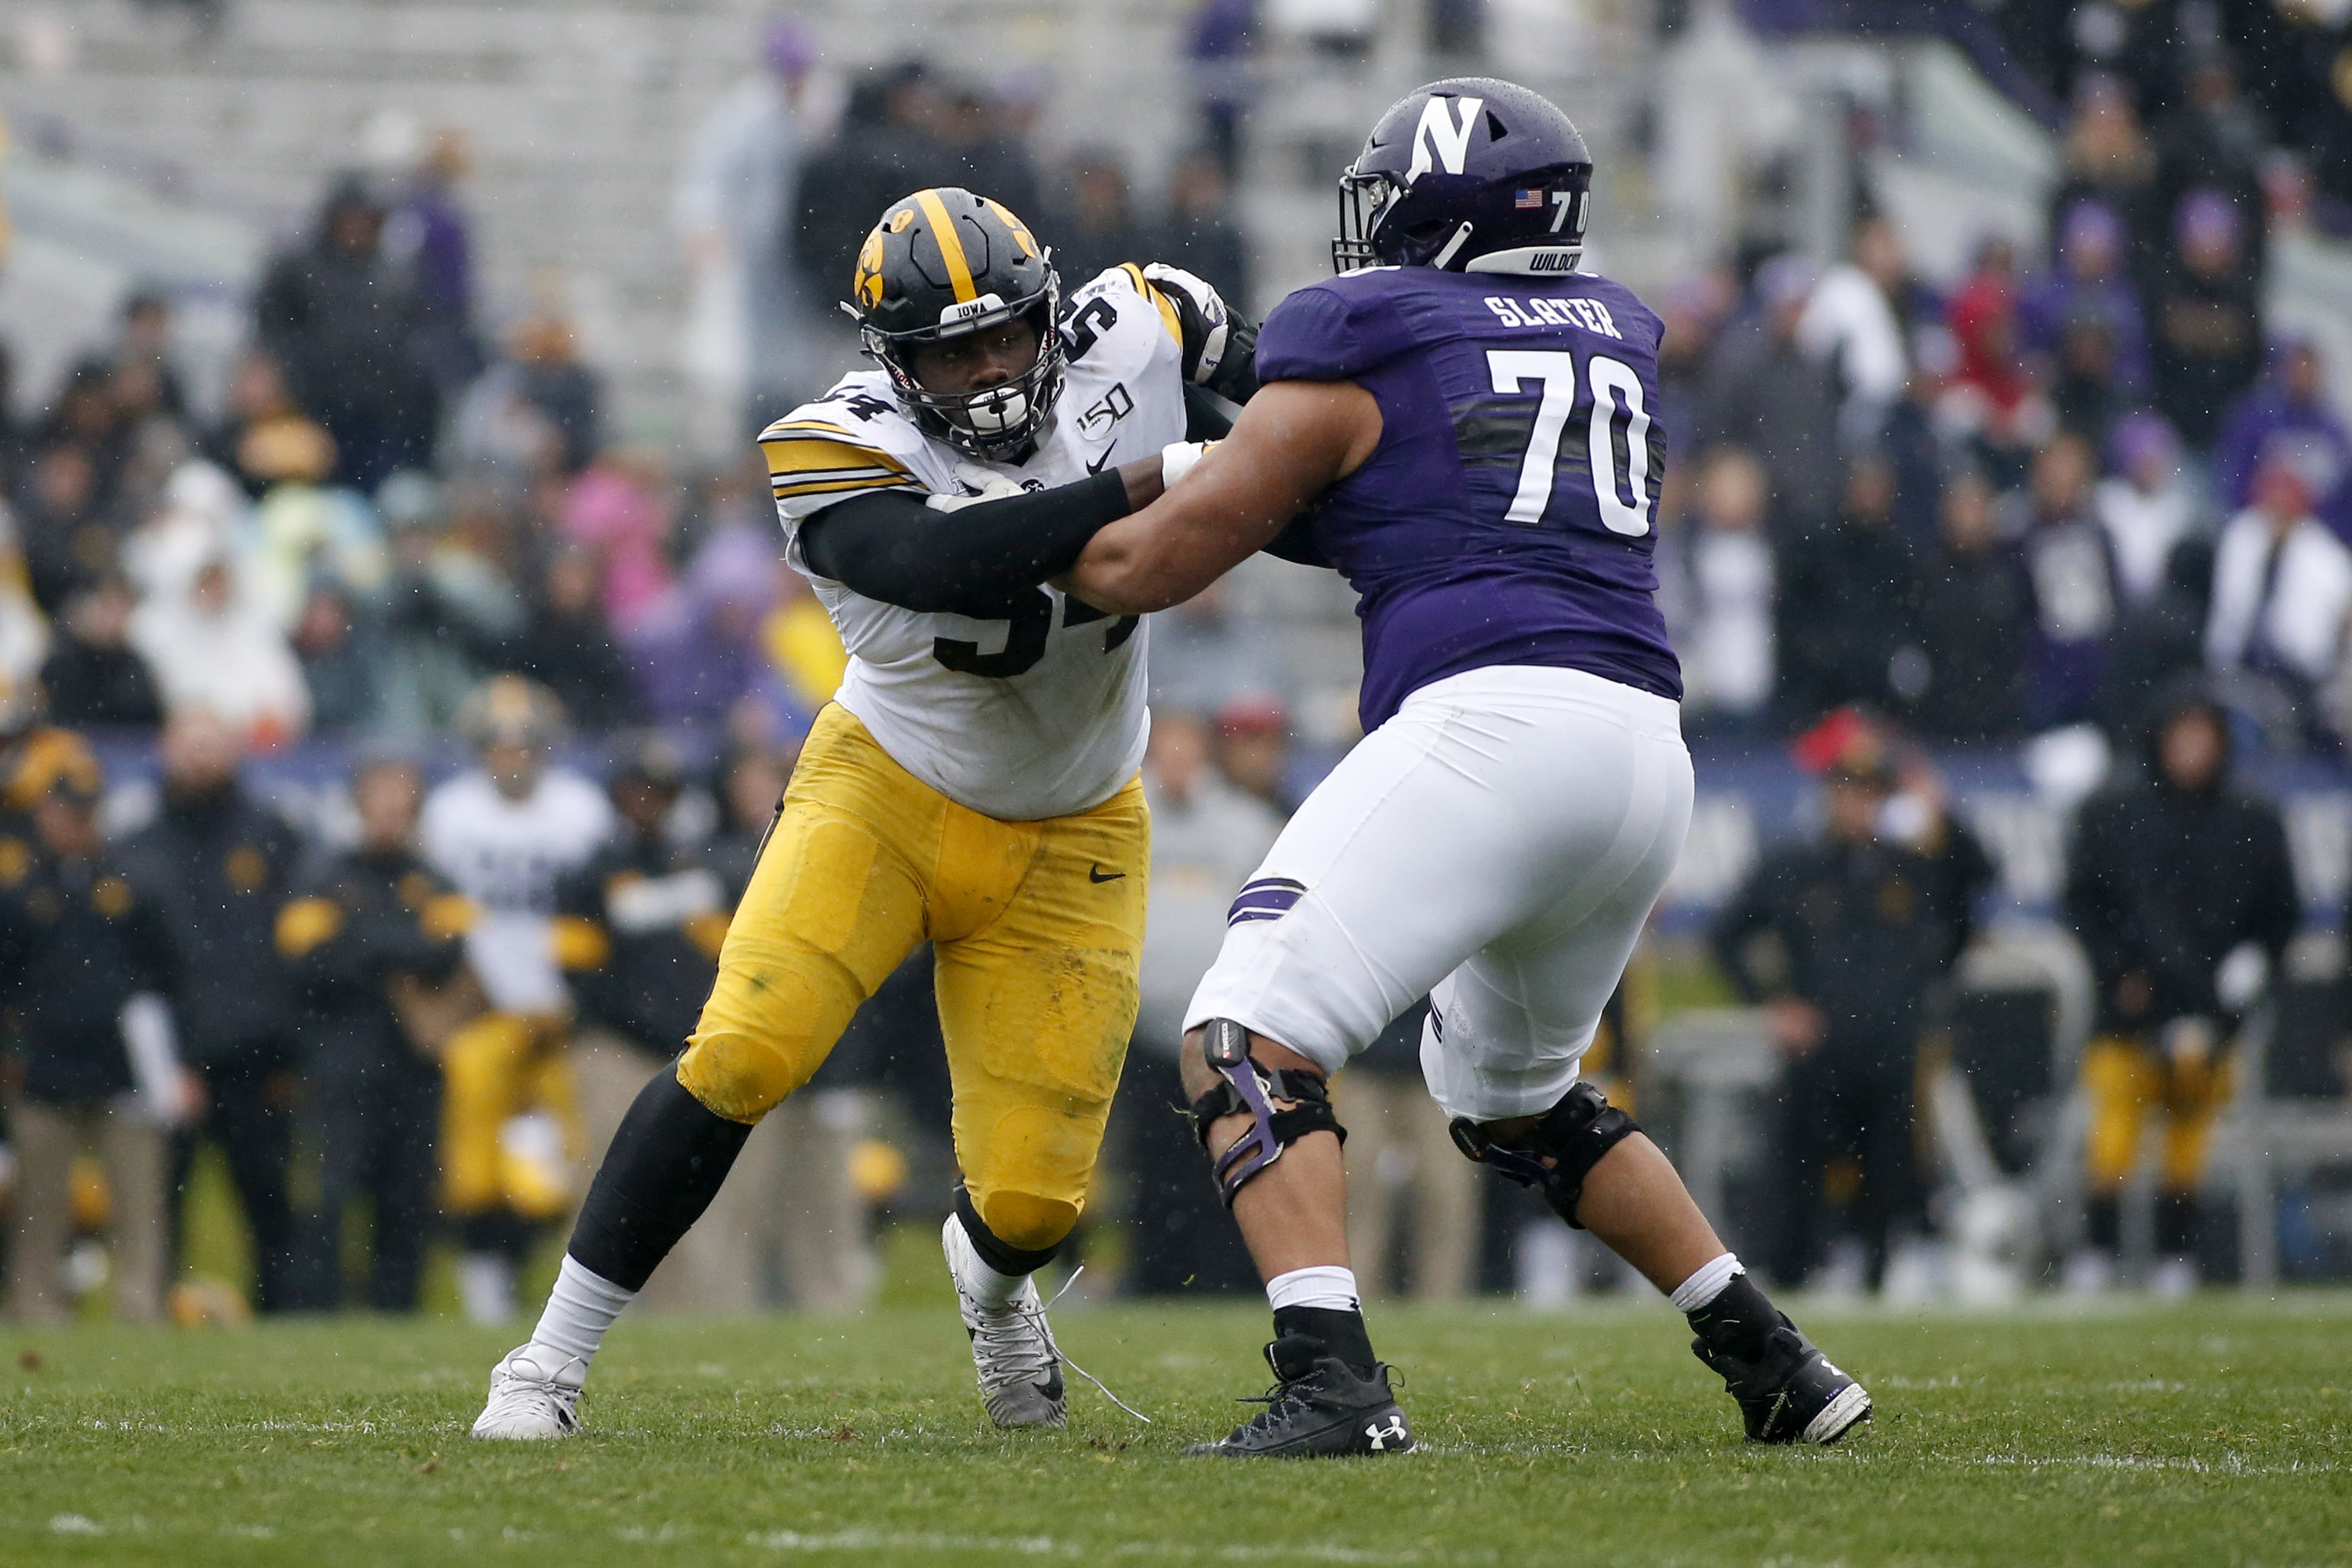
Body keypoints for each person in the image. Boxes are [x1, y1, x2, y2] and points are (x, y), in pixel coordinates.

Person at [1048, 78, 1869, 1454]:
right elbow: (1392, 487)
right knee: (1512, 1097)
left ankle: (1334, 1384)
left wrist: (1005, 519)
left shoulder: (1372, 335)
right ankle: (1771, 1357)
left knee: (1242, 1036)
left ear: (1439, 210)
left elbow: (1155, 564)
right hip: (1640, 753)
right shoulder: (1608, 333)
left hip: (1495, 729)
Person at [470, 184, 1259, 1439]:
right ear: (895, 357)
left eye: (1006, 334)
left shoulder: (1146, 324)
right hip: (887, 789)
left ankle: (995, 1292)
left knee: (1037, 1205)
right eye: (952, 350)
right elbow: (943, 563)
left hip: (1079, 822)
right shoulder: (831, 441)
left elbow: (1304, 427)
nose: (990, 367)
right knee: (743, 1050)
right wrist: (1170, 473)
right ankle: (547, 1362)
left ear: (1052, 312)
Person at [1711, 716, 1987, 1291]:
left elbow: (1978, 881)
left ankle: (1884, 1272)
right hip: (1819, 1054)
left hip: (1891, 1052)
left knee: (1892, 1178)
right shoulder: (1796, 866)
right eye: (1847, 790)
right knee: (1799, 1176)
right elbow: (1726, 936)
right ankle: (1792, 1279)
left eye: (1871, 792)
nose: (1857, 804)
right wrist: (1772, 1004)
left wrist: (1940, 809)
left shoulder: (1913, 866)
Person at [2063, 684, 2298, 1294]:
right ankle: (2097, 1250)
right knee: (2114, 1131)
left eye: (2203, 736)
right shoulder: (2115, 812)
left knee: (2189, 1134)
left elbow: (2279, 912)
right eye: (2181, 735)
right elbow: (2086, 903)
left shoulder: (2251, 818)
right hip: (2130, 1004)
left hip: (2212, 1007)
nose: (2191, 750)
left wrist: (2250, 966)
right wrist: (2121, 974)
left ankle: (2176, 1256)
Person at [422, 677, 614, 1323]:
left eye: (524, 744)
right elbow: (433, 913)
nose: (512, 756)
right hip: (483, 1011)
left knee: (572, 1161)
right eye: (498, 745)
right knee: (473, 1154)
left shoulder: (580, 809)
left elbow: (600, 908)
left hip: (565, 1016)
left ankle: (567, 1287)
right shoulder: (450, 812)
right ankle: (485, 1284)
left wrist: (581, 977)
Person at [116, 707, 306, 1313]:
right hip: (166, 1061)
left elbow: (295, 950)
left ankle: (286, 1333)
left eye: (212, 742)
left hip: (257, 1058)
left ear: (235, 750)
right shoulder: (136, 846)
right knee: (156, 1209)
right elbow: (129, 966)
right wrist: (166, 1059)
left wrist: (284, 1043)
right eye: (187, 742)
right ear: (165, 749)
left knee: (271, 1206)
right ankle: (150, 1322)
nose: (199, 755)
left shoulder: (273, 835)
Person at [0, 768, 194, 1323]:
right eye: (67, 812)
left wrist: (179, 1063)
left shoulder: (132, 887)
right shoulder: (20, 892)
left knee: (139, 1203)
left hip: (125, 1067)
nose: (76, 825)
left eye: (86, 813)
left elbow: (171, 980)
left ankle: (139, 1306)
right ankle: (36, 1306)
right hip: (44, 1068)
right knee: (40, 1203)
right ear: (46, 815)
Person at [277, 754, 470, 1312]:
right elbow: (305, 962)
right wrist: (394, 947)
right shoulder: (323, 874)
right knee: (327, 1199)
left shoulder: (435, 879)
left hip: (413, 1066)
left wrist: (360, 941)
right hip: (338, 1064)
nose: (388, 812)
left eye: (400, 799)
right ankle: (314, 1318)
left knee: (407, 1202)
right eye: (378, 798)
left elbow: (446, 953)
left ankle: (396, 1315)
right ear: (358, 806)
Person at [1121, 710, 1281, 1297]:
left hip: (1222, 1030)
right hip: (1141, 1030)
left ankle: (1226, 1278)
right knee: (1150, 1163)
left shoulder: (1245, 825)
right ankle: (1154, 1279)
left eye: (1188, 750)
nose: (1178, 764)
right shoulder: (1125, 817)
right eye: (1168, 750)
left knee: (1227, 1154)